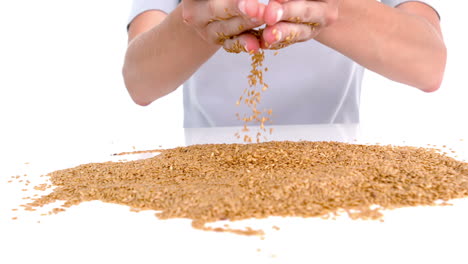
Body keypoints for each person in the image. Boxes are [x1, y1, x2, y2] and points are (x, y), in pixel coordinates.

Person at [122, 0, 445, 127]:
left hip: (339, 168)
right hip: (205, 171)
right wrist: (200, 18)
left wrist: (329, 10)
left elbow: (429, 65)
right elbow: (140, 80)